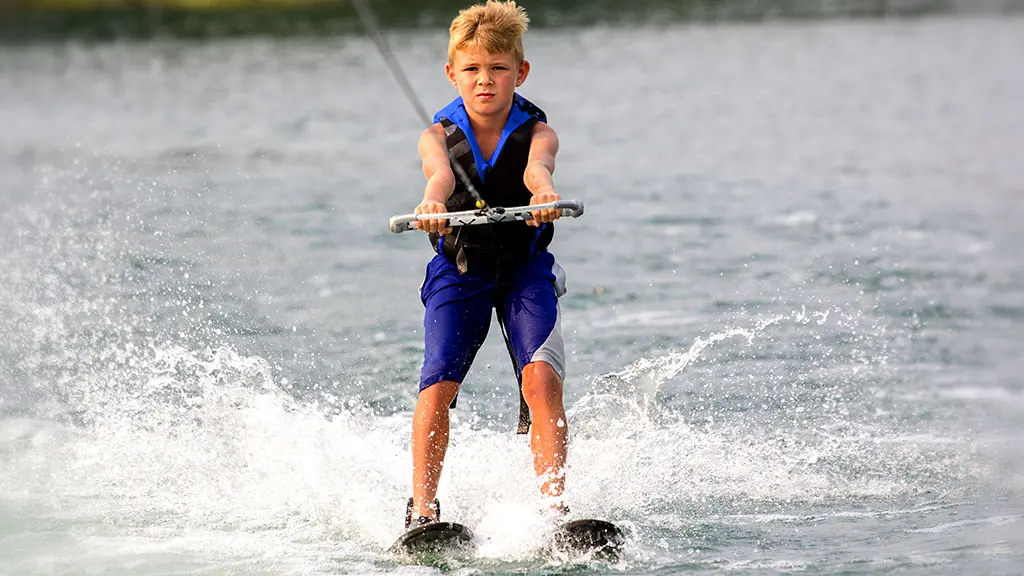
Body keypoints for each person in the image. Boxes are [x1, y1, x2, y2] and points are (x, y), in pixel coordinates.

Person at [406, 0, 569, 528]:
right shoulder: (436, 137)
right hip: (460, 268)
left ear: (519, 73)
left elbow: (537, 171)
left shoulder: (539, 133)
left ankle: (554, 509)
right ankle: (423, 511)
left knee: (541, 380)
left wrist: (544, 193)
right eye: (472, 69)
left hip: (524, 270)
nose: (485, 81)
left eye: (498, 69)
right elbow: (440, 179)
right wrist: (431, 203)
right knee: (438, 385)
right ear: (452, 74)